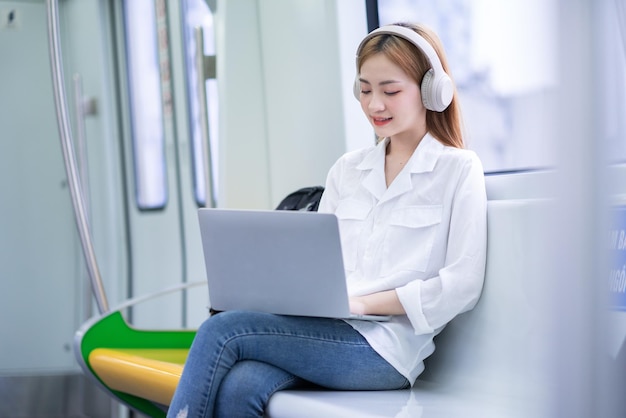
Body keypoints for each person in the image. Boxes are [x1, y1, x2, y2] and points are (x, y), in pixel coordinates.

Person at [167, 22, 487, 418]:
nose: (374, 105)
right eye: (365, 90)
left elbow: (462, 285)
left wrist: (364, 304)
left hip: (383, 350)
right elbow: (314, 266)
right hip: (322, 332)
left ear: (430, 91)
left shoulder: (456, 169)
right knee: (242, 384)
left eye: (390, 91)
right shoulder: (347, 170)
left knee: (222, 330)